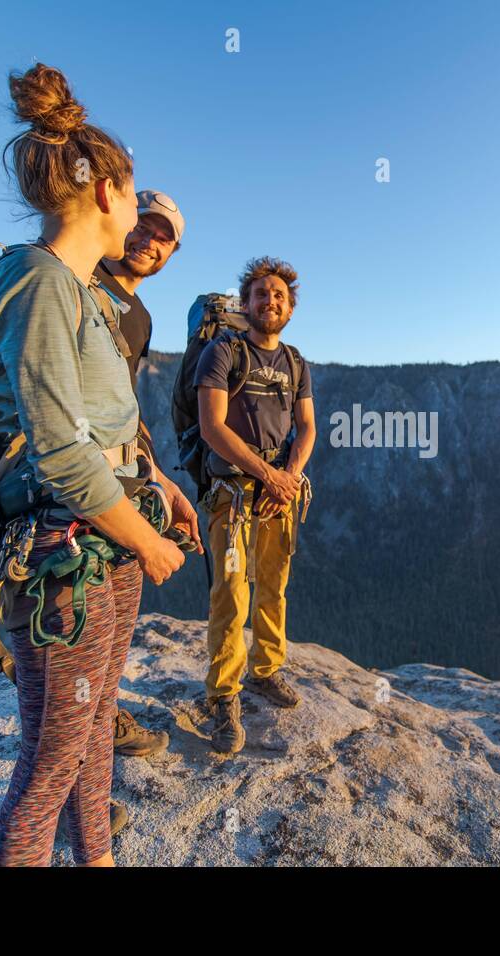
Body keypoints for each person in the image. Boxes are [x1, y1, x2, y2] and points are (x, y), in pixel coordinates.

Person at [0, 62, 198, 866]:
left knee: (95, 726)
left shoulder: (82, 294)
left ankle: (96, 858)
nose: (137, 212)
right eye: (134, 194)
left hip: (100, 546)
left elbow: (109, 426)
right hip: (63, 559)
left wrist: (159, 490)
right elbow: (62, 449)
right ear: (104, 192)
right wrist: (147, 540)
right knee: (50, 760)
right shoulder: (35, 284)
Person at [195, 257, 316, 754]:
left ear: (290, 308)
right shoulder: (223, 353)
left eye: (279, 296)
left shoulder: (295, 362)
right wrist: (270, 475)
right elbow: (212, 427)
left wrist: (287, 477)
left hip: (277, 496)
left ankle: (266, 669)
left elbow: (307, 427)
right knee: (231, 592)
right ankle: (223, 693)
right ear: (245, 304)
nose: (271, 301)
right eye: (261, 294)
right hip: (235, 496)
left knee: (273, 585)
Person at [93, 190, 196, 758]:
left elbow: (122, 410)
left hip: (118, 472)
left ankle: (100, 722)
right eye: (143, 226)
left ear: (171, 253)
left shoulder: (140, 316)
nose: (149, 241)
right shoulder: (76, 283)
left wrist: (162, 481)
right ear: (118, 220)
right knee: (84, 618)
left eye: (164, 237)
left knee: (113, 616)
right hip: (71, 485)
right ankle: (69, 761)